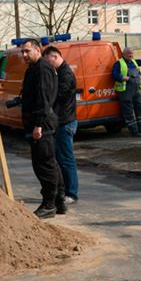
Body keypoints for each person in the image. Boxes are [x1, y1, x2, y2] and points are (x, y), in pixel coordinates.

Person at [16, 39, 67, 218]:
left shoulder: (43, 69)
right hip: (38, 122)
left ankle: (49, 204)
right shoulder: (34, 69)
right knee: (50, 162)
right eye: (22, 52)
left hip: (42, 124)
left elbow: (44, 99)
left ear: (38, 51)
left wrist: (38, 124)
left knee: (44, 165)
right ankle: (60, 201)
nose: (24, 55)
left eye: (27, 51)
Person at [43, 45, 79, 205]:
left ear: (55, 57)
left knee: (66, 159)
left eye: (48, 61)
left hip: (66, 122)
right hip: (62, 121)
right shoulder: (60, 72)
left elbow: (58, 96)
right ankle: (63, 191)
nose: (48, 65)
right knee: (61, 158)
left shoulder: (66, 75)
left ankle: (72, 193)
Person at [112, 47, 141, 137]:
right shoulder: (119, 63)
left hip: (135, 89)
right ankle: (134, 131)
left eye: (132, 53)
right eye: (129, 53)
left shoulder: (133, 62)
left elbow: (138, 72)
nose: (131, 55)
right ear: (124, 54)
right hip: (125, 91)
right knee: (128, 112)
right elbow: (114, 74)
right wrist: (122, 77)